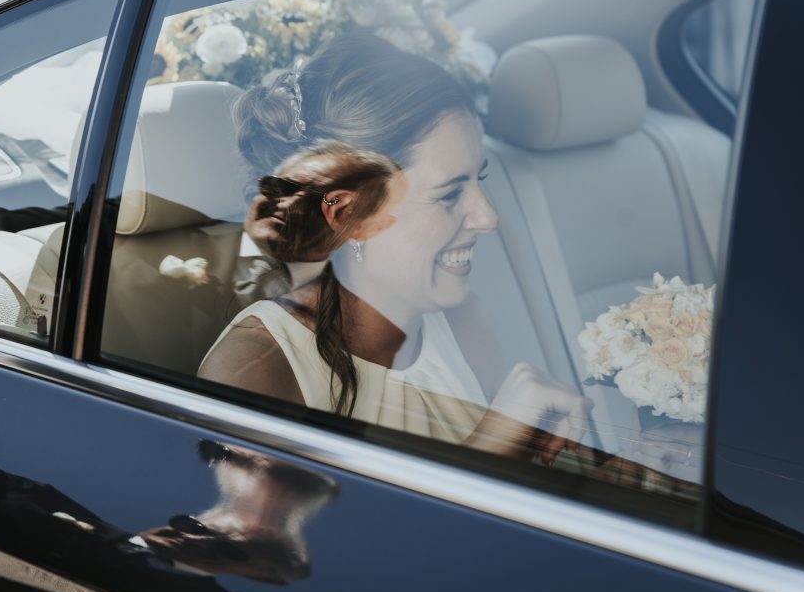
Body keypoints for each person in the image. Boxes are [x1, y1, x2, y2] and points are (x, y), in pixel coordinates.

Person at [200, 34, 593, 463]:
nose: (487, 217)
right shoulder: (255, 371)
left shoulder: (465, 321)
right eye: (448, 194)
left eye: (477, 180)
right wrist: (484, 451)